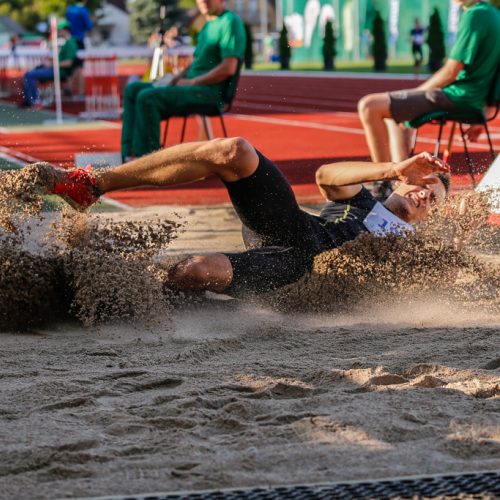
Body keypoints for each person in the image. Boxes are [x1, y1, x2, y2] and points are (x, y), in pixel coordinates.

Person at [37, 137, 449, 296]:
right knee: (233, 151)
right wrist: (392, 167)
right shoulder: (364, 204)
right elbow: (326, 176)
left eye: (434, 197)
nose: (424, 194)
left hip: (299, 271)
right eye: (423, 182)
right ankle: (91, 186)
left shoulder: (415, 246)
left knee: (195, 272)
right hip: (292, 227)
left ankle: (105, 286)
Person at [358, 0, 500, 164]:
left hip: (458, 96)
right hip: (472, 99)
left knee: (368, 106)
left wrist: (418, 92)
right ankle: (401, 178)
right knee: (393, 111)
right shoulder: (494, 14)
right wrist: (486, 110)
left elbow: (450, 72)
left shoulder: (475, 14)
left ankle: (381, 181)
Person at [121, 0, 246, 161]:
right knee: (133, 89)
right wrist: (175, 78)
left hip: (209, 92)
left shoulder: (230, 22)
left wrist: (192, 82)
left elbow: (228, 68)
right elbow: (196, 62)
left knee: (147, 97)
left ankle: (147, 160)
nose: (203, 1)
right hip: (190, 86)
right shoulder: (207, 25)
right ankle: (127, 154)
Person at [21, 21, 79, 108]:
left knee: (29, 75)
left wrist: (51, 64)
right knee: (28, 74)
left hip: (59, 71)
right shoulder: (66, 42)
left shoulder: (70, 43)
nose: (57, 32)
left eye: (59, 30)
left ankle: (34, 101)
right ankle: (30, 100)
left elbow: (68, 63)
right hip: (55, 69)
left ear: (65, 30)